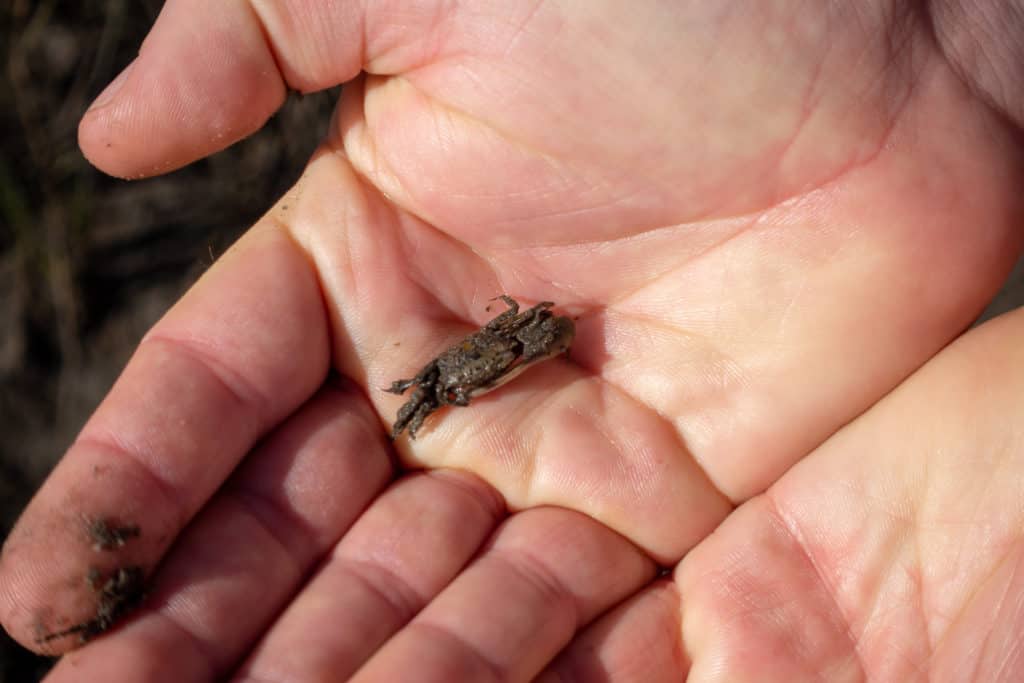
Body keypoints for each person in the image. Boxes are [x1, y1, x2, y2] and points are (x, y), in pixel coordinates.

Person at [3, 2, 1024, 680]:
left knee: (449, 381)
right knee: (441, 382)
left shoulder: (535, 335)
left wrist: (953, 37)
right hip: (468, 365)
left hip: (490, 361)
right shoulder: (493, 346)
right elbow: (499, 347)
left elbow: (525, 339)